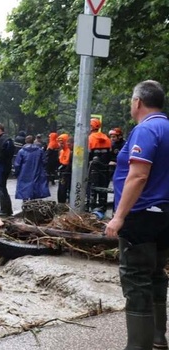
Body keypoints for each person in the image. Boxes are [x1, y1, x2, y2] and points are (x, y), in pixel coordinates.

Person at [105, 80, 169, 350]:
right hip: (165, 215)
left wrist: (119, 216)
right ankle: (158, 337)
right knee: (156, 274)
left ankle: (138, 346)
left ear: (138, 102)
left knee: (136, 279)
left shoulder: (146, 129)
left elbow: (138, 175)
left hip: (141, 214)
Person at [14, 135, 50, 201]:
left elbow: (17, 164)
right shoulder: (39, 150)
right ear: (33, 141)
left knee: (24, 189)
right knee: (35, 188)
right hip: (37, 172)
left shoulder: (21, 151)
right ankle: (34, 202)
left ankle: (25, 204)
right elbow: (44, 161)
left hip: (24, 173)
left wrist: (16, 173)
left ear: (25, 141)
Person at [0, 123, 15, 216]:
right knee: (2, 187)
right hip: (6, 164)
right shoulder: (7, 139)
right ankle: (7, 209)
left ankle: (4, 209)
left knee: (1, 187)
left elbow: (4, 153)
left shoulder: (3, 140)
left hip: (4, 165)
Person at [57, 134, 73, 204]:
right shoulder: (61, 152)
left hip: (68, 173)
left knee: (65, 189)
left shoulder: (70, 152)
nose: (61, 145)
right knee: (61, 189)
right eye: (60, 143)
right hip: (62, 172)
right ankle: (61, 203)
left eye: (62, 143)